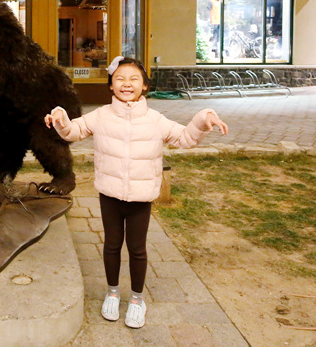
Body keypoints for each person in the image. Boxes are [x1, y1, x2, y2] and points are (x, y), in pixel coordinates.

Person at [44, 56, 229, 329]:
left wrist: (204, 118)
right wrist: (60, 117)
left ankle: (137, 299)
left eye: (133, 79)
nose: (126, 84)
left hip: (141, 196)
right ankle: (112, 292)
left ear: (144, 86)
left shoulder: (156, 120)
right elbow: (73, 131)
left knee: (137, 248)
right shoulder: (101, 116)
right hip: (109, 193)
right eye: (119, 79)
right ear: (111, 86)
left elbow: (185, 138)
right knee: (111, 244)